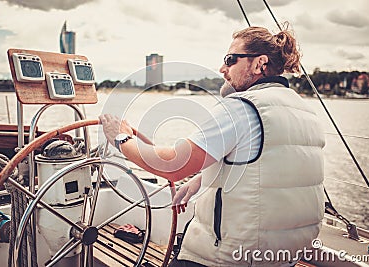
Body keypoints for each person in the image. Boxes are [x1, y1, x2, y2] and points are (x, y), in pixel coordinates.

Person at [99, 25, 325, 266]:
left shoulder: (241, 107)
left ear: (260, 64)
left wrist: (122, 139)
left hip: (229, 258)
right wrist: (203, 178)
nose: (222, 69)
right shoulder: (305, 111)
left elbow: (174, 165)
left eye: (230, 60)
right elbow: (271, 163)